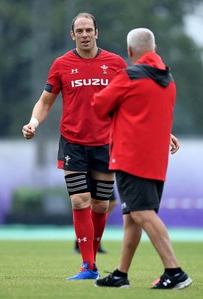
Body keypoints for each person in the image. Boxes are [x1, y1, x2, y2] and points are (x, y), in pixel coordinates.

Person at [22, 12, 127, 280]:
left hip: (106, 143)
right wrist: (33, 122)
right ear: (72, 35)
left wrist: (163, 131)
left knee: (101, 206)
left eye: (88, 30)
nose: (84, 34)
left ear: (96, 32)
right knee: (80, 201)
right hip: (73, 143)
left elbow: (135, 102)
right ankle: (88, 266)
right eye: (79, 30)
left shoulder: (115, 63)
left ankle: (90, 260)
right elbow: (45, 102)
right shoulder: (61, 64)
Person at [91, 28, 193, 289]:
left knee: (142, 213)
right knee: (132, 217)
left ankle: (175, 271)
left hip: (130, 157)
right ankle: (120, 274)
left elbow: (99, 106)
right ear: (154, 49)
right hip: (156, 161)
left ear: (129, 52)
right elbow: (149, 113)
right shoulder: (168, 80)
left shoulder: (128, 77)